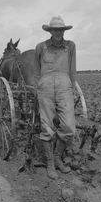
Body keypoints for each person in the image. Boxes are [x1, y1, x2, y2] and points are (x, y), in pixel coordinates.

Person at [34, 16, 76, 179]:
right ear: (50, 31)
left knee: (69, 127)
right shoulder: (41, 47)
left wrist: (71, 88)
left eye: (60, 29)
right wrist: (38, 88)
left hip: (64, 87)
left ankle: (58, 157)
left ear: (64, 31)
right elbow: (37, 71)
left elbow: (72, 70)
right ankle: (50, 163)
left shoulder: (70, 46)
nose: (58, 32)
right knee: (47, 127)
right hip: (45, 88)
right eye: (55, 29)